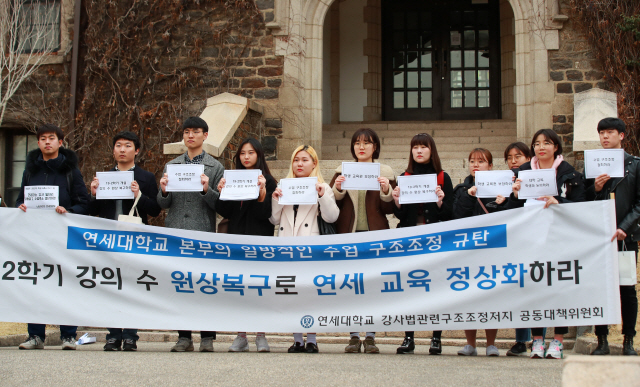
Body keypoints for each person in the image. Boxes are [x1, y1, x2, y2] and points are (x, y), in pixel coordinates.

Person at [510, 128, 585, 359]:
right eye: (537, 144)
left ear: (556, 147)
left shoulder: (569, 173)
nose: (541, 147)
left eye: (547, 143)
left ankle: (558, 340)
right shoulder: (522, 172)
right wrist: (514, 194)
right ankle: (537, 340)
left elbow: (580, 204)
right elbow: (510, 211)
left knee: (559, 288)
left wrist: (559, 200)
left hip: (559, 237)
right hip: (530, 237)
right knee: (535, 287)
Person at [16, 124, 90, 350]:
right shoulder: (30, 171)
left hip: (63, 237)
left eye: (52, 138)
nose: (47, 142)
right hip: (35, 236)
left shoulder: (70, 171)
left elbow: (84, 203)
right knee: (35, 283)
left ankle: (68, 335)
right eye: (43, 139)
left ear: (60, 142)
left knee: (65, 283)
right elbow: (21, 199)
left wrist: (69, 212)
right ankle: (35, 336)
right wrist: (21, 207)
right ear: (38, 143)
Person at [89, 131, 161, 351]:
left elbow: (155, 210)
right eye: (118, 145)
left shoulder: (146, 177)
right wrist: (92, 193)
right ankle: (112, 335)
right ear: (113, 150)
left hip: (135, 238)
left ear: (136, 150)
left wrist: (140, 194)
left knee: (132, 285)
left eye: (127, 146)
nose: (122, 149)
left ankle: (130, 335)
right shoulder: (103, 177)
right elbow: (92, 212)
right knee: (111, 285)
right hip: (108, 238)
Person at [158, 117, 224, 353]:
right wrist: (164, 190)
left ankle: (207, 337)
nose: (191, 136)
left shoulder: (215, 167)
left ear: (205, 136)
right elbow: (163, 203)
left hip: (202, 232)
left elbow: (221, 205)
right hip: (176, 231)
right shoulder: (172, 165)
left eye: (196, 132)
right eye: (187, 132)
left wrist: (207, 190)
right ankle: (183, 336)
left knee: (205, 285)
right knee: (180, 285)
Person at [328, 128, 395, 354]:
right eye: (357, 142)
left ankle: (372, 336)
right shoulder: (342, 171)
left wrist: (387, 189)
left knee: (373, 287)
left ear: (375, 146)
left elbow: (390, 208)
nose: (361, 147)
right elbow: (330, 205)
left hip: (375, 236)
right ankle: (354, 336)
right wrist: (337, 189)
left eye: (367, 143)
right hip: (348, 235)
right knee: (351, 286)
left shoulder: (384, 171)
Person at [270, 145, 339, 353]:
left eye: (305, 160)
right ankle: (297, 339)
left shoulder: (323, 187)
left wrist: (322, 196)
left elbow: (332, 217)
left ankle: (312, 338)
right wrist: (276, 200)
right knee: (291, 293)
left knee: (310, 294)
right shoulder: (283, 186)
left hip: (310, 248)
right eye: (296, 160)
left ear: (314, 163)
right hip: (287, 246)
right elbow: (273, 219)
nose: (299, 164)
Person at [391, 133, 453, 355]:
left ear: (431, 150)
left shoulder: (443, 177)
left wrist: (439, 202)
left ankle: (436, 338)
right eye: (415, 147)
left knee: (436, 288)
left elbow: (450, 213)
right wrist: (397, 202)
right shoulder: (404, 176)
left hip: (436, 239)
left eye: (423, 147)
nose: (419, 151)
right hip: (409, 238)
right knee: (409, 288)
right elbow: (401, 215)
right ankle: (409, 337)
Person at [216, 138, 277, 353]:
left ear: (259, 155)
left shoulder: (268, 180)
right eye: (242, 153)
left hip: (259, 241)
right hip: (236, 240)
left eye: (251, 153)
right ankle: (241, 336)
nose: (246, 157)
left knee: (259, 289)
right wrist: (221, 191)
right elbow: (226, 211)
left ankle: (261, 335)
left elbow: (266, 215)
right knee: (239, 289)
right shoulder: (232, 178)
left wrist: (262, 196)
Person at [586, 117, 638, 356]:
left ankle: (628, 339)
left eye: (609, 132)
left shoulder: (635, 165)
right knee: (600, 288)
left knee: (626, 288)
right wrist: (595, 188)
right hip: (599, 237)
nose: (605, 137)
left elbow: (638, 203)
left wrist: (625, 227)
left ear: (621, 135)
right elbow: (583, 202)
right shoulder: (594, 164)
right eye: (601, 133)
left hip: (625, 237)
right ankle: (602, 339)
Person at [453, 148, 506, 357]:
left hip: (493, 248)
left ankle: (491, 343)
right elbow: (456, 215)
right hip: (467, 249)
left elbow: (507, 217)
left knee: (491, 295)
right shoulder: (461, 188)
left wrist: (502, 202)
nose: (476, 165)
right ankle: (470, 343)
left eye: (481, 161)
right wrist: (468, 195)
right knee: (469, 296)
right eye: (472, 161)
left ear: (491, 166)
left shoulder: (501, 188)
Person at [502, 142, 538, 356]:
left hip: (537, 239)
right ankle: (521, 339)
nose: (514, 161)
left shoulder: (538, 177)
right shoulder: (503, 181)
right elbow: (505, 211)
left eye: (519, 156)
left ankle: (539, 338)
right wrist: (510, 197)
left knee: (537, 288)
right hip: (515, 240)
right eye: (509, 157)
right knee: (520, 290)